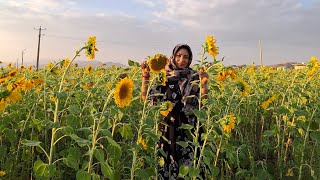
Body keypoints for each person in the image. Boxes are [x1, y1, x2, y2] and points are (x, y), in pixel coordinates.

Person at [141, 44, 209, 179]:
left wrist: (204, 84)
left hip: (188, 129)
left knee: (189, 168)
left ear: (190, 60)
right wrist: (145, 77)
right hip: (168, 129)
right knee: (167, 164)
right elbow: (147, 99)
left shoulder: (194, 77)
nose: (181, 59)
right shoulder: (163, 77)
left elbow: (202, 103)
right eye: (178, 56)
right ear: (173, 56)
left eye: (186, 57)